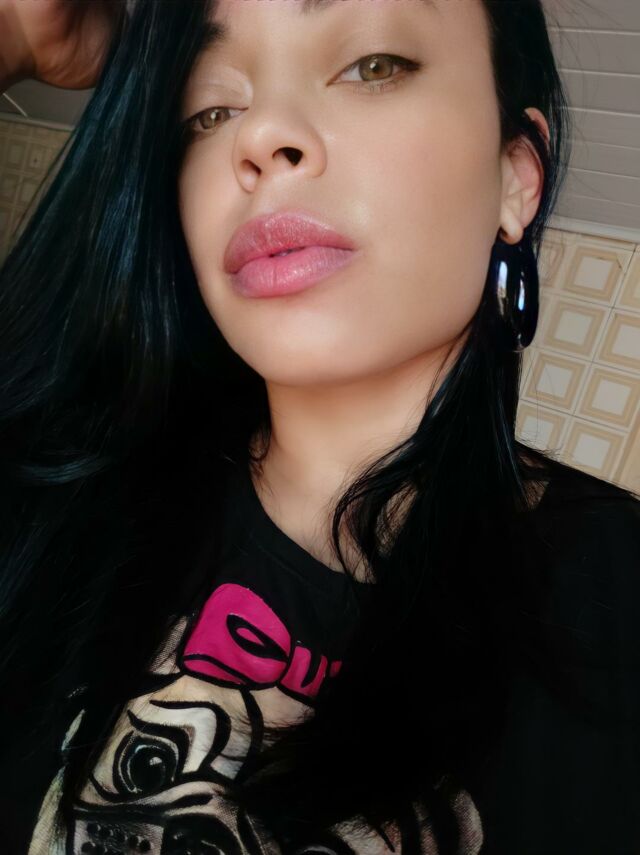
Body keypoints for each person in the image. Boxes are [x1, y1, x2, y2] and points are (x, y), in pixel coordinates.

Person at [0, 0, 639, 853]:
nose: (259, 136)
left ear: (516, 177)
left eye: (372, 64)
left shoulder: (619, 598)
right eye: (209, 107)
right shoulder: (62, 489)